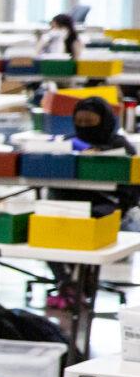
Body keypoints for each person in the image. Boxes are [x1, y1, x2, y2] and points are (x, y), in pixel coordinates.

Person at [46, 96, 136, 309]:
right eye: (80, 123)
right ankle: (68, 283)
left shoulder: (121, 147)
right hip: (66, 207)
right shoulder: (69, 142)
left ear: (104, 121)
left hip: (107, 209)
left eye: (90, 123)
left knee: (87, 227)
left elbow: (131, 192)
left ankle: (76, 283)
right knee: (45, 227)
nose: (84, 128)